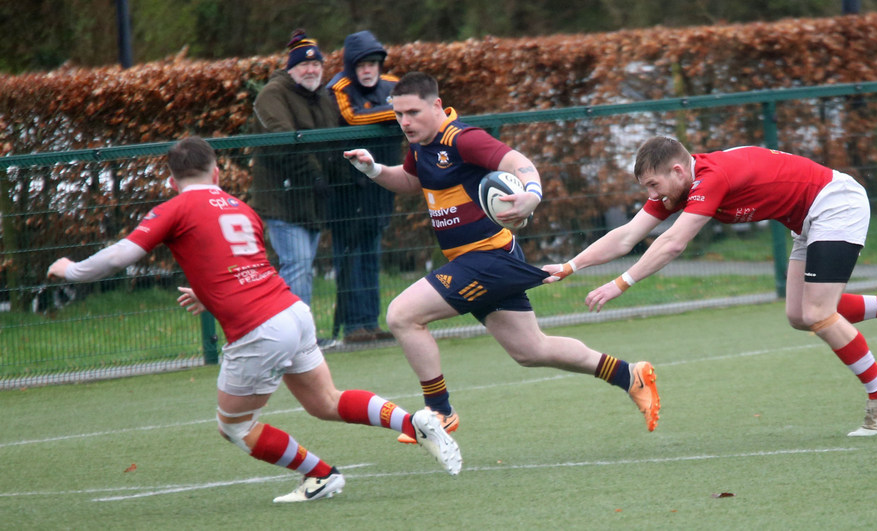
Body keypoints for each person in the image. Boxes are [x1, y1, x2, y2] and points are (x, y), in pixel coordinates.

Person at [46, 136, 461, 503]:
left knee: (235, 426)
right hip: (291, 311)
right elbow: (244, 267)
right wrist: (209, 295)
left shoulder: (174, 207)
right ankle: (414, 421)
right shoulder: (242, 208)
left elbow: (120, 256)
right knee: (325, 402)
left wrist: (70, 269)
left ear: (172, 181)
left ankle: (321, 475)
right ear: (218, 171)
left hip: (260, 329)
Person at [542, 137, 877, 437]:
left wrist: (621, 283)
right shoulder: (679, 186)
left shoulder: (709, 179)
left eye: (653, 184)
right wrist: (571, 265)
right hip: (808, 219)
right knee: (801, 314)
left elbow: (673, 243)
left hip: (835, 204)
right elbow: (627, 235)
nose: (651, 195)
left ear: (678, 171)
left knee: (818, 311)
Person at [343, 72, 661, 442]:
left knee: (402, 315)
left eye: (412, 112)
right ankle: (629, 375)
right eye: (398, 114)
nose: (405, 122)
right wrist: (373, 169)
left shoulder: (463, 139)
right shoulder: (420, 146)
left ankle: (440, 412)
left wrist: (532, 192)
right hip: (481, 261)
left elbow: (518, 162)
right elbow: (412, 182)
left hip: (487, 258)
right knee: (531, 350)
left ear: (435, 105)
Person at [249, 29, 340, 342]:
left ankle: (297, 335)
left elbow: (333, 143)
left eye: (317, 65)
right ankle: (297, 338)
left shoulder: (324, 97)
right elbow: (284, 143)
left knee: (301, 266)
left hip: (312, 201)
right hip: (282, 200)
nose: (311, 70)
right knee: (297, 267)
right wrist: (314, 175)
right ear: (291, 67)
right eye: (304, 65)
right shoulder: (272, 95)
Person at [324, 30, 400, 344]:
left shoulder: (395, 84)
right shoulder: (338, 88)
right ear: (351, 66)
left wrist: (392, 114)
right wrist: (394, 113)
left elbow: (409, 115)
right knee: (349, 255)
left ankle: (370, 321)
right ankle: (353, 325)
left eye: (373, 63)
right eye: (362, 64)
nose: (368, 70)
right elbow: (353, 118)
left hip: (380, 187)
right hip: (346, 190)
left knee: (371, 253)